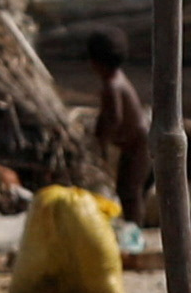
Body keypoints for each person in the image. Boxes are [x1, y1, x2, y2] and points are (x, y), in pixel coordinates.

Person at [64, 28, 156, 224]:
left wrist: (102, 143)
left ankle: (134, 231)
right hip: (135, 144)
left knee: (130, 191)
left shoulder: (112, 86)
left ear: (96, 62)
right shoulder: (115, 80)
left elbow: (114, 118)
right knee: (126, 189)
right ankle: (132, 226)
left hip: (140, 144)